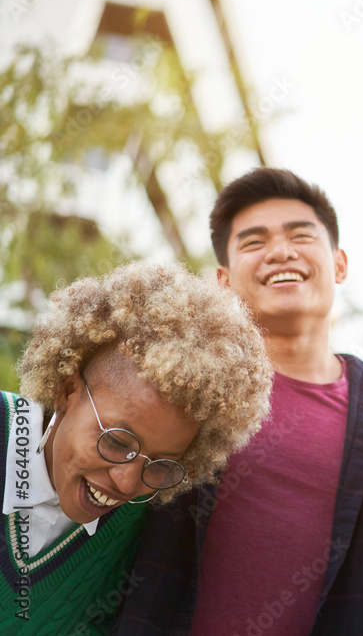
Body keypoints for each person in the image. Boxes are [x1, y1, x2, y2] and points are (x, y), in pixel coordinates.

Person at [117, 168, 363, 635]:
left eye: (300, 235)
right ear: (223, 281)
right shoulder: (172, 386)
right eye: (253, 242)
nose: (280, 251)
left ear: (339, 263)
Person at [2, 261, 271, 635]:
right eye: (115, 440)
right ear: (67, 390)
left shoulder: (139, 534)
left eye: (160, 463)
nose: (127, 482)